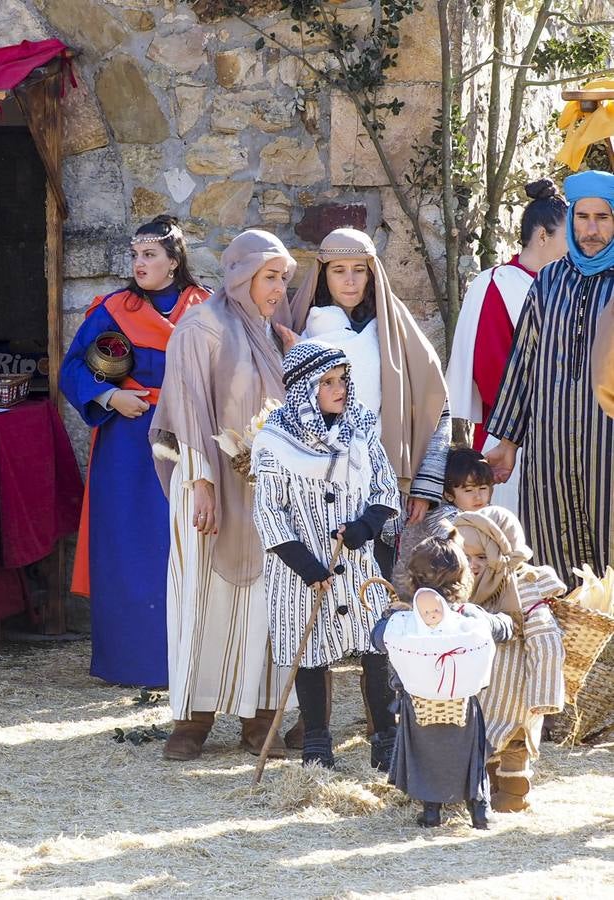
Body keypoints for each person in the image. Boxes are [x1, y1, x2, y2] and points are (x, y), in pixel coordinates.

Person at [149, 229, 296, 761]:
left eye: (283, 277)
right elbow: (186, 413)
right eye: (269, 276)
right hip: (205, 490)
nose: (278, 287)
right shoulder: (200, 328)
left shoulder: (276, 334)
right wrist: (203, 485)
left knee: (264, 604)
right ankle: (193, 719)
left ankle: (259, 719)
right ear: (241, 275)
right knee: (202, 599)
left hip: (265, 494)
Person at [61, 215, 209, 687]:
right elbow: (73, 370)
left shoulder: (207, 308)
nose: (139, 263)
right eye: (135, 255)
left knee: (185, 547)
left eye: (150, 255)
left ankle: (192, 664)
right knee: (126, 548)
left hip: (189, 444)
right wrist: (109, 396)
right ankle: (128, 662)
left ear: (173, 262)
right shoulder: (113, 309)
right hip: (126, 446)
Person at [251, 340, 400, 770]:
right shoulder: (275, 438)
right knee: (309, 650)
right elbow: (268, 511)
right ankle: (317, 740)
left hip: (355, 563)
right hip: (299, 567)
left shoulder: (361, 426)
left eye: (343, 380)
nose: (340, 389)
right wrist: (307, 566)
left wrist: (365, 526)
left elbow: (385, 488)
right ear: (305, 387)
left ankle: (386, 737)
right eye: (329, 382)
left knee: (376, 647)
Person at [285, 228, 451, 579]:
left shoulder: (394, 328)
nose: (349, 281)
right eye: (338, 270)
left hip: (380, 475)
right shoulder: (302, 328)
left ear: (372, 272)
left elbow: (437, 405)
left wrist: (422, 485)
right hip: (315, 480)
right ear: (322, 273)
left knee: (375, 584)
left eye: (359, 270)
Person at [486, 170, 614, 578]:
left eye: (603, 218)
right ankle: (564, 639)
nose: (591, 230)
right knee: (552, 554)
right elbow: (523, 361)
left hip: (606, 446)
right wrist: (507, 441)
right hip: (549, 447)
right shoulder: (548, 281)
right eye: (583, 217)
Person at [373, 532, 513, 830]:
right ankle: (479, 810)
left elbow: (378, 639)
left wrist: (388, 617)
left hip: (418, 703)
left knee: (425, 756)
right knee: (470, 754)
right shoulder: (471, 616)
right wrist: (507, 621)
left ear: (412, 579)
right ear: (461, 581)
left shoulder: (404, 620)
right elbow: (503, 628)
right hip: (462, 702)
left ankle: (432, 812)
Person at [446, 180, 568, 513]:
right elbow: (489, 370)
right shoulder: (497, 284)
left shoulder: (568, 288)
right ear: (542, 236)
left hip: (563, 434)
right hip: (510, 433)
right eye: (567, 237)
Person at [454, 507, 566, 815]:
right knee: (482, 740)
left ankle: (515, 794)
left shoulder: (525, 586)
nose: (474, 566)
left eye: (482, 557)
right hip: (480, 691)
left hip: (516, 690)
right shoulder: (461, 587)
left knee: (514, 744)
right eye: (467, 557)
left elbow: (546, 639)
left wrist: (544, 694)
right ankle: (486, 790)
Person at [391, 447, 494, 598]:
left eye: (483, 488)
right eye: (468, 490)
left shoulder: (483, 513)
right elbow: (469, 546)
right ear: (449, 495)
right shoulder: (444, 517)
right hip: (422, 589)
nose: (478, 496)